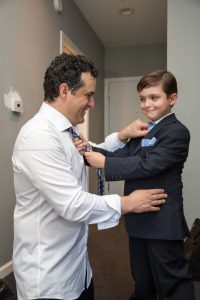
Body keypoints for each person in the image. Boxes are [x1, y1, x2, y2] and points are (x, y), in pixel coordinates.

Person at [12, 54, 167, 300]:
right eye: (88, 95)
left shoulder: (67, 131)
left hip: (78, 268)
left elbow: (91, 151)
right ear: (64, 91)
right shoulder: (38, 137)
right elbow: (73, 204)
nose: (92, 103)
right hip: (50, 280)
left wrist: (123, 135)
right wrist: (129, 203)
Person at [81, 70, 195, 300]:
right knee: (142, 277)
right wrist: (88, 149)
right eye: (142, 98)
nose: (147, 104)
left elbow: (148, 164)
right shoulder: (142, 132)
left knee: (172, 281)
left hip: (162, 220)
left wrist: (104, 163)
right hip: (138, 218)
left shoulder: (177, 132)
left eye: (154, 97)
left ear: (171, 98)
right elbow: (123, 156)